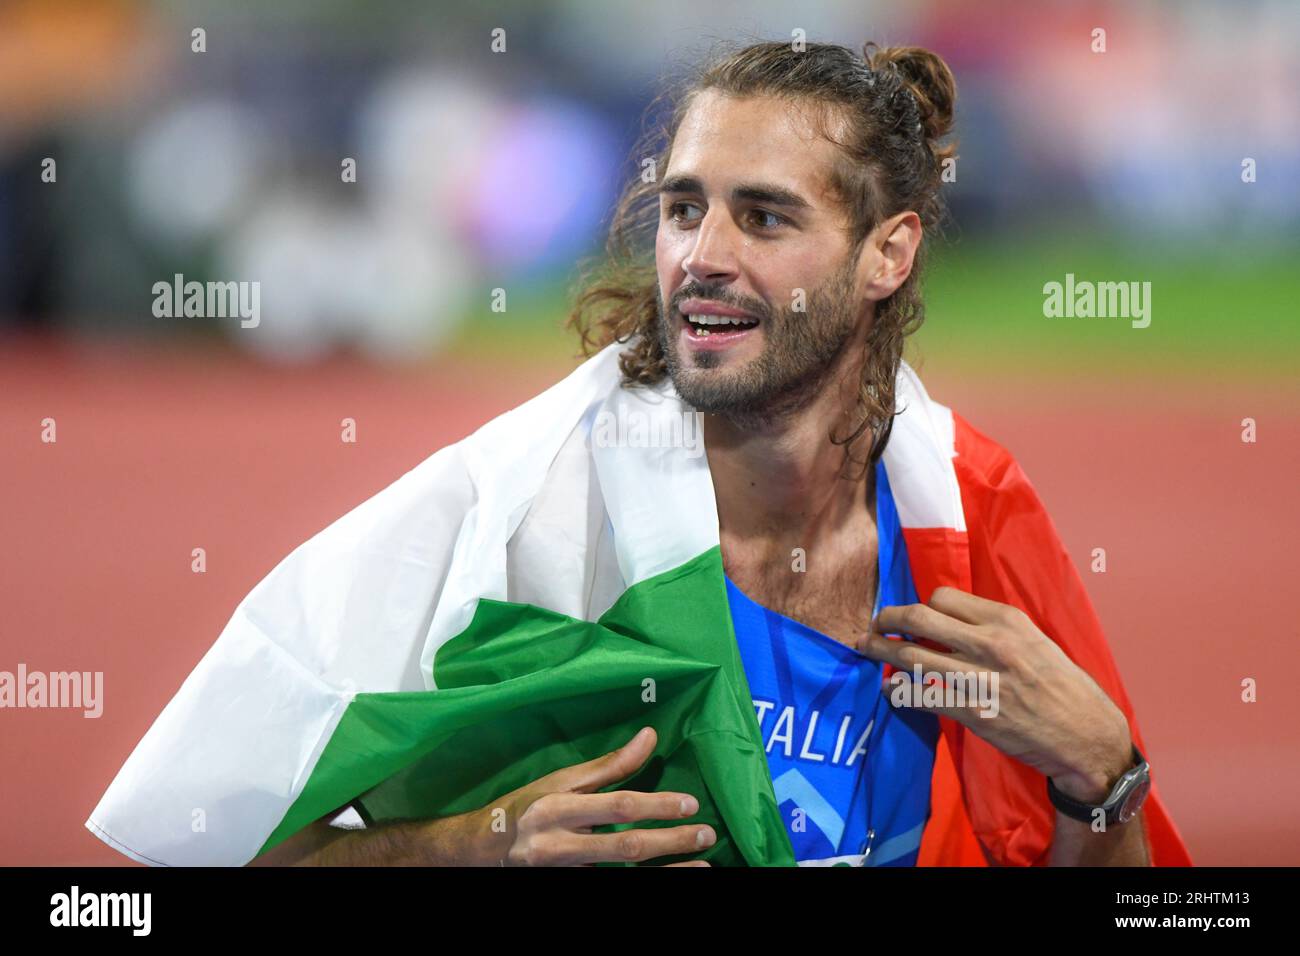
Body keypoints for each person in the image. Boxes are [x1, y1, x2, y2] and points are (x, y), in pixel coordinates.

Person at [87, 40, 1191, 867]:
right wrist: (473, 841)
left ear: (886, 253)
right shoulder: (515, 509)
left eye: (762, 218)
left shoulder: (970, 510)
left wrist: (1105, 780)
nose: (700, 258)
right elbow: (186, 845)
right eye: (681, 208)